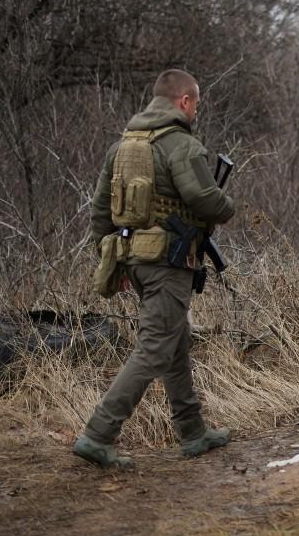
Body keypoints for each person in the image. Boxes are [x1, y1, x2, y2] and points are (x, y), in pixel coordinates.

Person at [74, 69, 236, 470]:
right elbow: (204, 199)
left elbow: (100, 212)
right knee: (153, 348)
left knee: (174, 341)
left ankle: (193, 432)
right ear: (184, 102)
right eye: (195, 103)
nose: (195, 110)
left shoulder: (123, 146)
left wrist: (116, 258)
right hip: (168, 262)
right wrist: (226, 206)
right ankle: (98, 434)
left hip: (136, 260)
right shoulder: (181, 144)